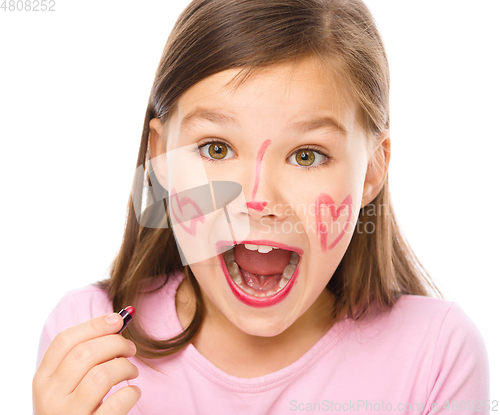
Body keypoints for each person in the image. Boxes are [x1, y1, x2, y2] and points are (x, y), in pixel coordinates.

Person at [32, 0, 490, 414]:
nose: (259, 200)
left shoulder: (436, 355)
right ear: (160, 159)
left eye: (306, 155)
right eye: (215, 149)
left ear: (372, 170)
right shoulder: (89, 345)